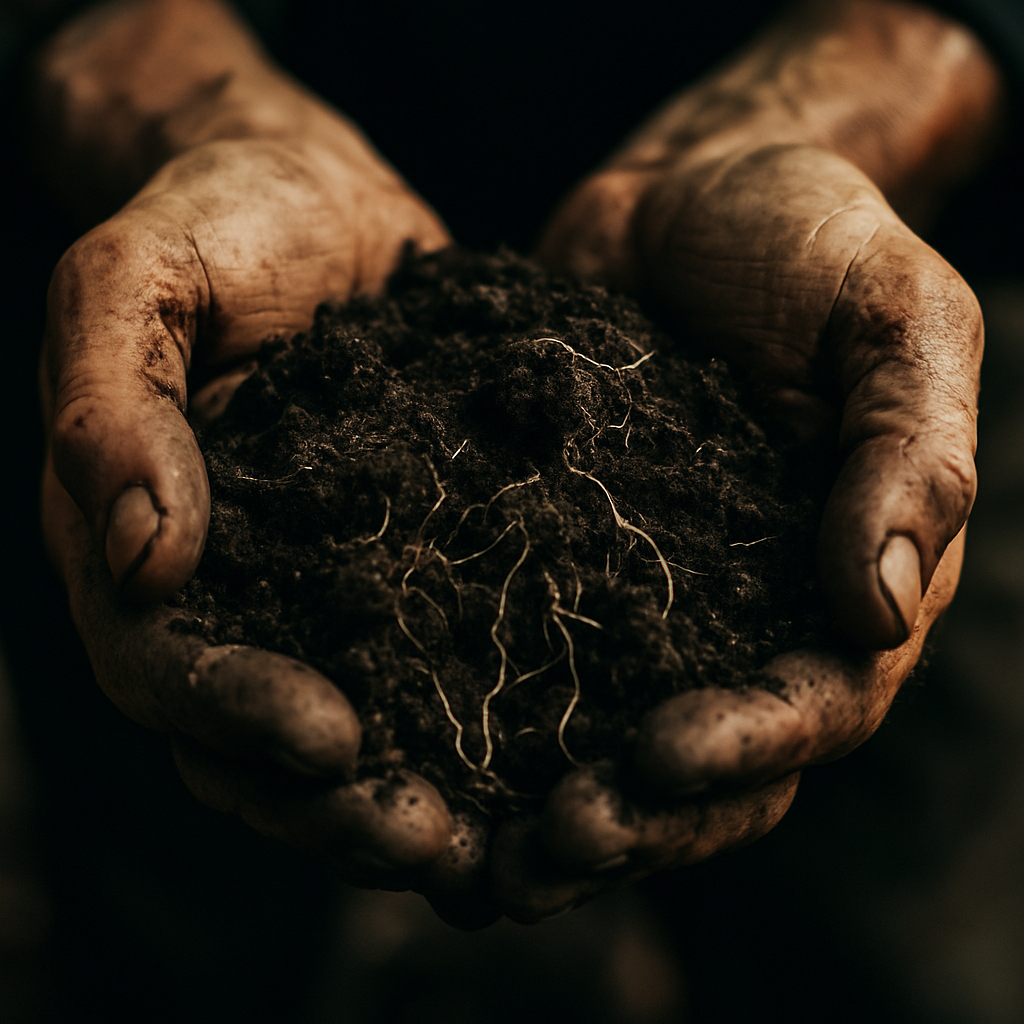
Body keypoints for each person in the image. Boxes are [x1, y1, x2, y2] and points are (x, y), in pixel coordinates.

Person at [11, 0, 1014, 929]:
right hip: (229, 307)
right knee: (178, 882)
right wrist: (175, 94)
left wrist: (880, 78)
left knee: (886, 904)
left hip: (799, 339)